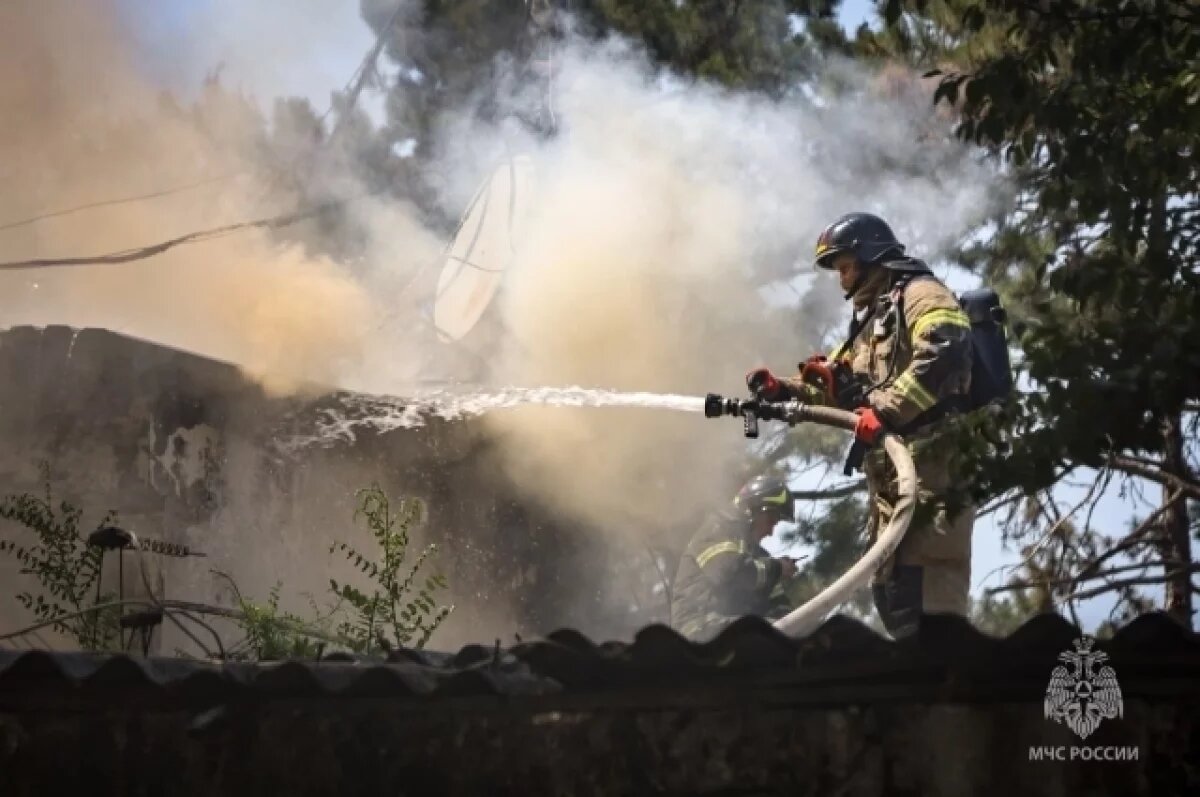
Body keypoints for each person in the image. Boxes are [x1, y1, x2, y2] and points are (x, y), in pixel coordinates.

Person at [746, 212, 976, 640]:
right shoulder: (872, 323)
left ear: (872, 257)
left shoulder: (921, 294)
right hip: (893, 488)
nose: (841, 278)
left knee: (931, 614)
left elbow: (948, 346)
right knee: (892, 598)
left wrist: (886, 410)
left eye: (846, 266)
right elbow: (837, 386)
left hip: (934, 478)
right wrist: (784, 391)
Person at [671, 474, 801, 641]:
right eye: (771, 521)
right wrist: (778, 568)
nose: (770, 532)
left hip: (734, 629)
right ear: (754, 510)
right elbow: (731, 575)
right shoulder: (718, 530)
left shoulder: (759, 556)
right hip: (699, 629)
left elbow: (778, 605)